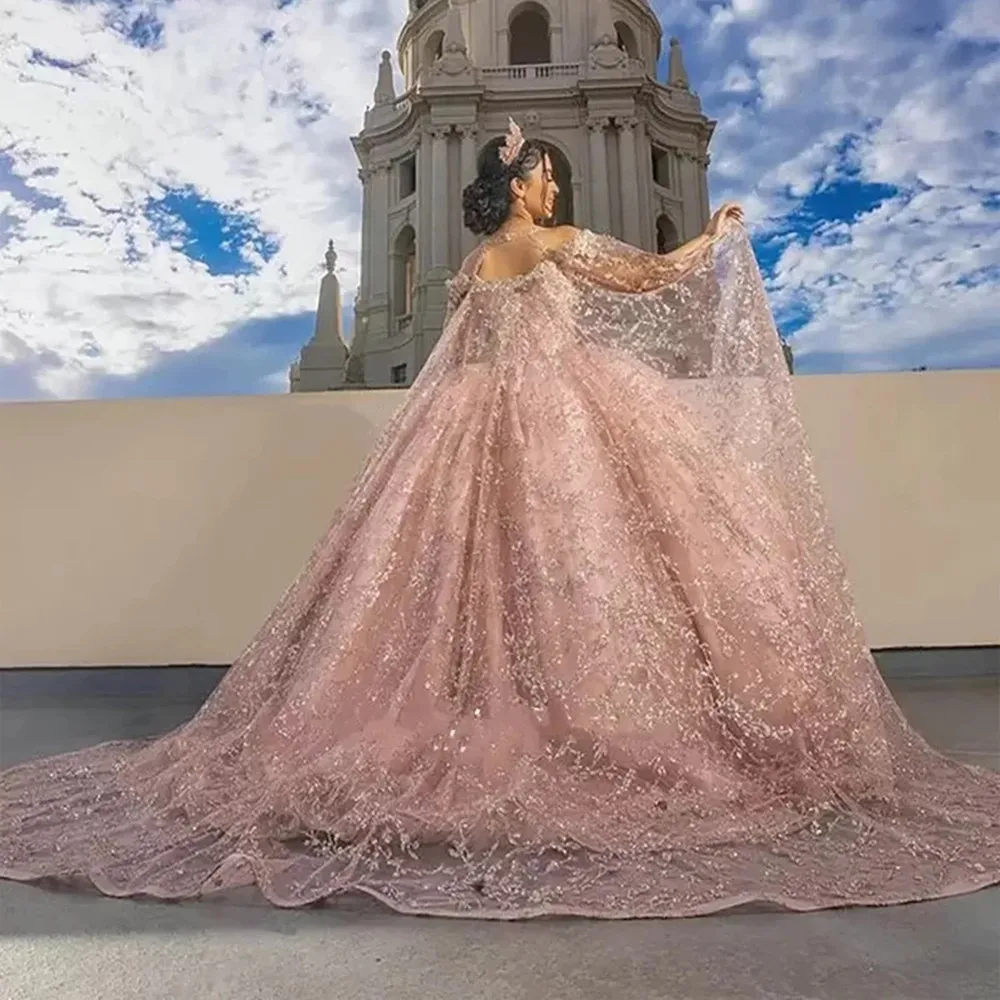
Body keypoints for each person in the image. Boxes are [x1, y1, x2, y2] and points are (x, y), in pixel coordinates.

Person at [1, 118, 998, 919]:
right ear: (519, 185)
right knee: (592, 569)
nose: (555, 189)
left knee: (463, 578)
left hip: (473, 423)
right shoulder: (553, 244)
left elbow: (466, 353)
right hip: (563, 418)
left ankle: (498, 700)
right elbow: (650, 279)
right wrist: (718, 235)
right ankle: (592, 718)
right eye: (547, 177)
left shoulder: (475, 265)